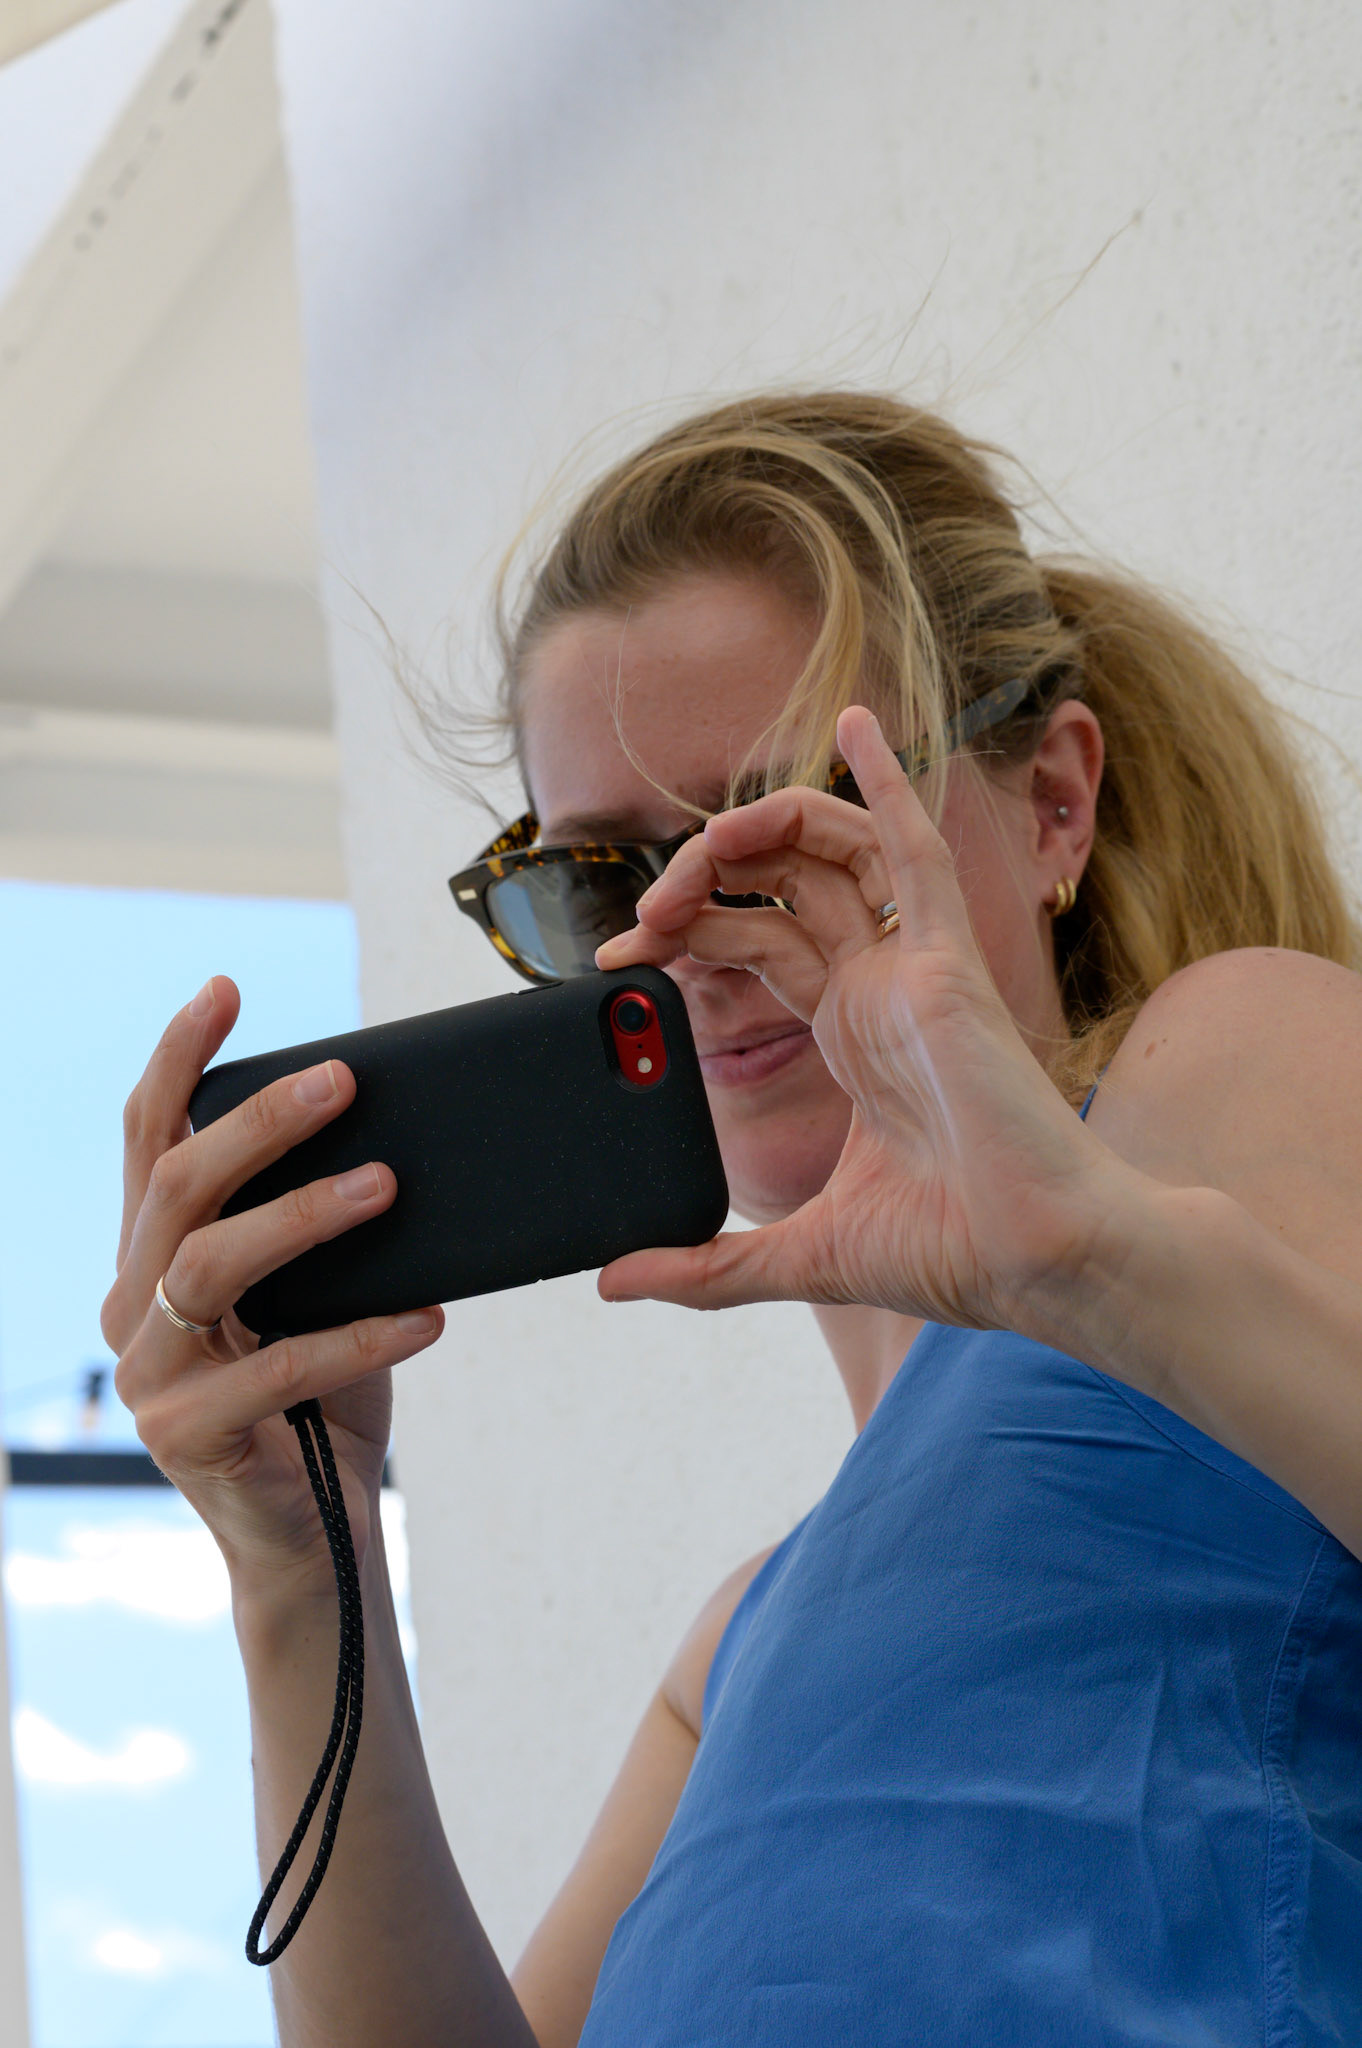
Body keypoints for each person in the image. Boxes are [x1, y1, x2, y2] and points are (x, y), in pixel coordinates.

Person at [105, 391, 1362, 2046]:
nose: (675, 934)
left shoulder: (1237, 1058)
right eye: (593, 880)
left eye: (769, 829)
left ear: (1051, 801)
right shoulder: (738, 1642)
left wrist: (1081, 1250)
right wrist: (299, 1568)